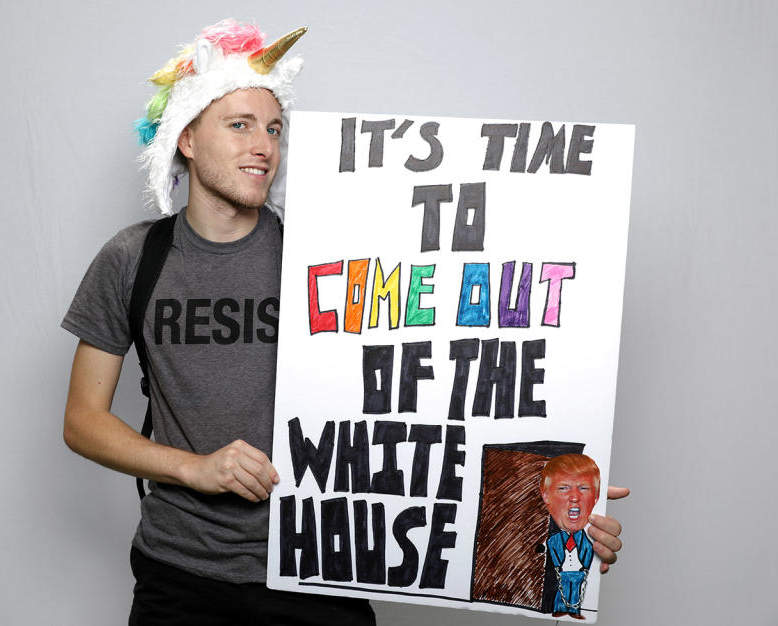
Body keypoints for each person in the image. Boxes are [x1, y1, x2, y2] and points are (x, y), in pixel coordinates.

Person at [61, 17, 628, 625]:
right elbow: (82, 421)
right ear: (187, 139)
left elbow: (443, 389)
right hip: (180, 575)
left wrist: (555, 523)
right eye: (239, 125)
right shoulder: (133, 259)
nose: (264, 146)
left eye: (274, 128)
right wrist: (193, 468)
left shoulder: (329, 253)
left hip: (319, 567)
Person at [540, 453, 602, 620]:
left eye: (583, 488)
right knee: (562, 591)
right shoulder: (554, 540)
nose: (574, 497)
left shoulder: (589, 542)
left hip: (579, 573)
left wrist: (586, 569)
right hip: (563, 572)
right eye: (563, 488)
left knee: (575, 592)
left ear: (596, 496)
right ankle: (560, 609)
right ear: (546, 496)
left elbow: (589, 553)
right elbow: (553, 550)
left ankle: (574, 611)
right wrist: (559, 568)